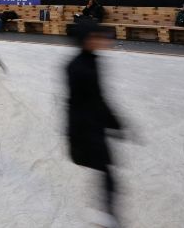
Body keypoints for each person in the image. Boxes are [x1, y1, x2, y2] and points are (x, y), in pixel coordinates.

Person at [66, 21, 127, 226]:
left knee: (105, 169)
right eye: (97, 37)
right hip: (85, 127)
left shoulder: (90, 61)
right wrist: (115, 122)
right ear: (87, 40)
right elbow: (92, 99)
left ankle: (108, 212)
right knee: (106, 170)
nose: (103, 41)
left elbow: (97, 98)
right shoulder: (80, 67)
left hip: (92, 124)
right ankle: (109, 214)